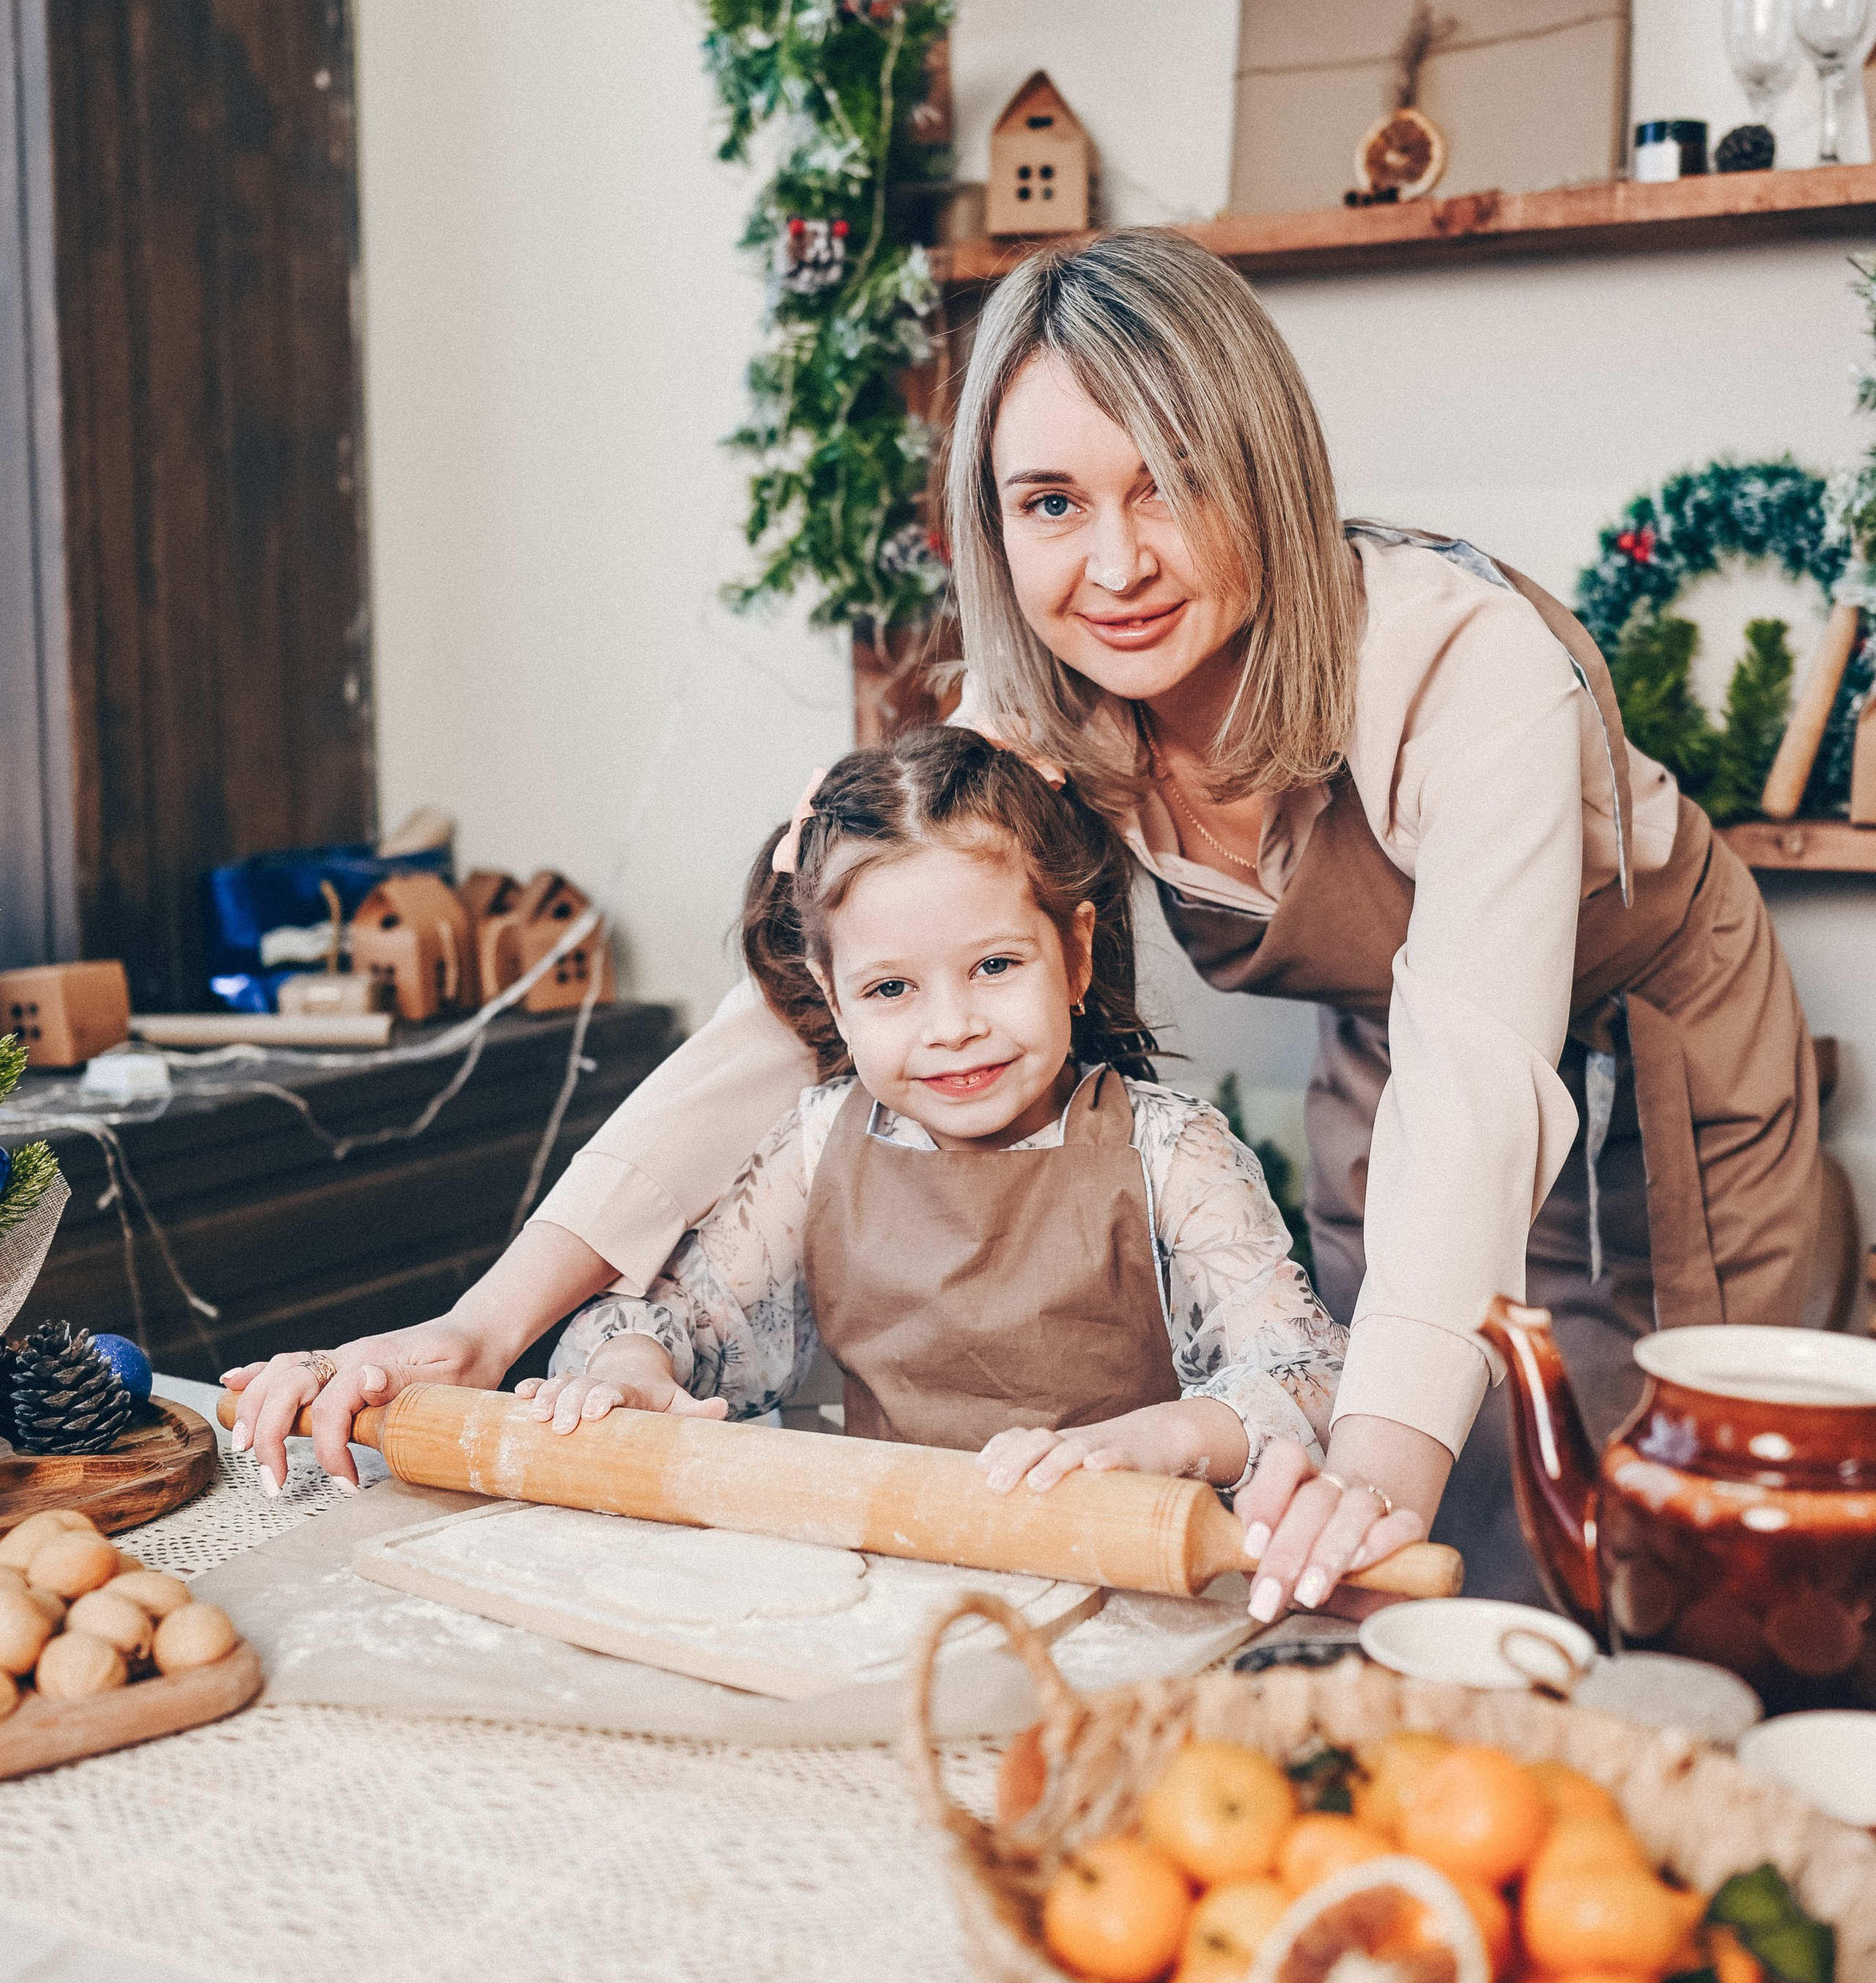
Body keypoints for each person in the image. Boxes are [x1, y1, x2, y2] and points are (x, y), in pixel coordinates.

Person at [224, 229, 1820, 1620]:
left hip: (1659, 1082)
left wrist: (1381, 1462)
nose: (1113, 564)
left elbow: (1480, 1074)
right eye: (1049, 501)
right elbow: (777, 1024)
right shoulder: (1034, 717)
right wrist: (485, 1321)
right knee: (1360, 1535)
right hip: (1390, 1082)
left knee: (1653, 1546)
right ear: (990, 521)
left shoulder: (1462, 663)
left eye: (1172, 484)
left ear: (1263, 468)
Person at [510, 728, 1361, 1546]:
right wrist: (629, 1368)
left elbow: (1310, 1377)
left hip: (1121, 1581)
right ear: (832, 996)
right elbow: (679, 1319)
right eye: (891, 988)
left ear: (1075, 952)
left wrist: (1157, 1439)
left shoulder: (1175, 1154)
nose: (952, 1026)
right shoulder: (816, 1147)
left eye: (994, 966)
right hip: (893, 1578)